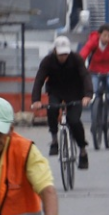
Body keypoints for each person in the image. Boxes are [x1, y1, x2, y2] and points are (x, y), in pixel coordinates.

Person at [30, 36, 92, 169]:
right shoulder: (48, 61)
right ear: (54, 51)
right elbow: (39, 80)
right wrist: (36, 100)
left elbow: (85, 76)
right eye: (60, 54)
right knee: (51, 109)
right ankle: (54, 139)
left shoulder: (76, 59)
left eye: (65, 54)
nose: (63, 57)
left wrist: (87, 95)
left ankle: (82, 150)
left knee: (74, 120)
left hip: (75, 92)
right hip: (56, 91)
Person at [80, 23, 109, 132]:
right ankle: (94, 118)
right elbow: (84, 52)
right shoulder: (93, 42)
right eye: (105, 35)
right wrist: (78, 65)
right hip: (95, 71)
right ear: (99, 35)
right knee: (93, 90)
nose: (107, 38)